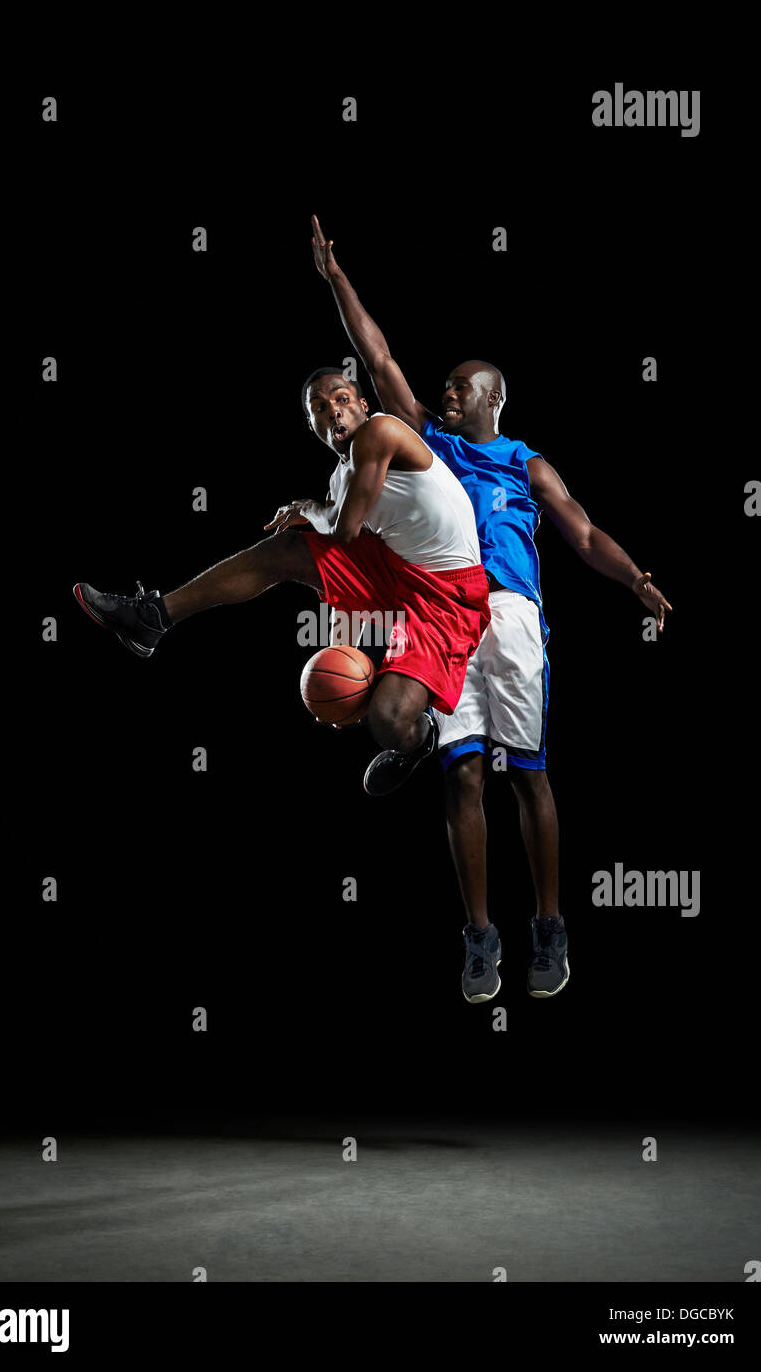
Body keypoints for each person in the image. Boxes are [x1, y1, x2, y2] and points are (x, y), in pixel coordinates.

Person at [310, 215, 673, 1003]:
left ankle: (550, 923)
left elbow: (582, 532)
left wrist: (636, 579)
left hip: (509, 615)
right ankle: (481, 937)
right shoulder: (430, 447)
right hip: (445, 615)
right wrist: (336, 279)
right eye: (442, 385)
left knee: (530, 778)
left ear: (493, 399)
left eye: (458, 386)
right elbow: (377, 359)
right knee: (461, 776)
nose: (443, 392)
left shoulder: (524, 462)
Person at [73, 366, 491, 784]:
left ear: (363, 407)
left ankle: (420, 739)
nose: (334, 413)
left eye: (342, 400)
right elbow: (341, 570)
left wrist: (307, 508)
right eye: (320, 409)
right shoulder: (340, 479)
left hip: (448, 596)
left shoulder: (381, 431)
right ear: (311, 425)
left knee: (387, 723)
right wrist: (340, 661)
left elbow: (343, 531)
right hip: (397, 570)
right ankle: (153, 618)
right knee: (289, 549)